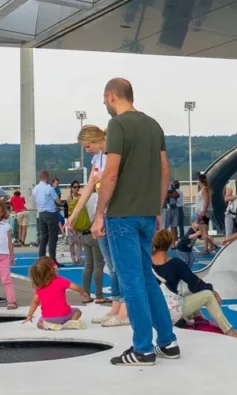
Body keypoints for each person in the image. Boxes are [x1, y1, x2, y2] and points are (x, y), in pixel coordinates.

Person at [90, 78, 179, 366]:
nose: (105, 105)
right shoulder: (154, 125)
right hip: (146, 212)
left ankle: (143, 348)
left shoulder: (118, 125)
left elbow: (112, 172)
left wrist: (100, 212)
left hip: (122, 215)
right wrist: (157, 205)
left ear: (110, 96)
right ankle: (167, 341)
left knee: (132, 282)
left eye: (105, 100)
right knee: (146, 277)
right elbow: (164, 169)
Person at [68, 125, 123, 323]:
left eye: (87, 146)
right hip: (104, 215)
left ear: (96, 140)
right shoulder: (98, 158)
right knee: (110, 264)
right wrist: (74, 214)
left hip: (116, 213)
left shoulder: (112, 154)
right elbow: (90, 186)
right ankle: (115, 306)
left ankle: (123, 308)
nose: (86, 150)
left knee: (118, 264)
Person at [150, 229, 237, 338]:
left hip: (153, 312)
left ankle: (199, 320)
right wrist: (212, 290)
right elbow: (194, 283)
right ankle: (228, 331)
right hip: (170, 311)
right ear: (170, 244)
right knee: (207, 295)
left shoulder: (146, 262)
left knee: (188, 293)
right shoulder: (175, 263)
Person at [21, 257, 89, 330]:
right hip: (64, 315)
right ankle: (71, 322)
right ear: (52, 269)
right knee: (77, 311)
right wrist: (83, 292)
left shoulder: (39, 288)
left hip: (48, 318)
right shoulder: (60, 280)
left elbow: (34, 302)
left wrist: (29, 316)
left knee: (39, 323)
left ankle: (46, 326)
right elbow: (74, 287)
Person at [32, 170, 60, 263]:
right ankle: (53, 259)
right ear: (47, 177)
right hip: (50, 213)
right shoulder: (49, 188)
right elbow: (58, 200)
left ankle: (41, 259)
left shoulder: (35, 189)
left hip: (41, 214)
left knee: (43, 237)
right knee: (53, 237)